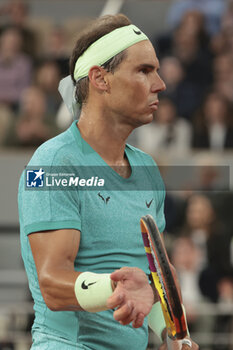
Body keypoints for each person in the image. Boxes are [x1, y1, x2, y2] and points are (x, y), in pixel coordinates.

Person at [18, 14, 198, 350]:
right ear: (101, 78)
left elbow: (157, 282)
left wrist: (175, 336)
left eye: (157, 71)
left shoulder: (147, 169)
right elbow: (52, 284)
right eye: (144, 70)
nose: (160, 84)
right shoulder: (53, 164)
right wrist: (118, 290)